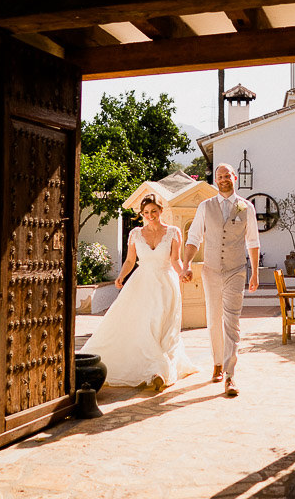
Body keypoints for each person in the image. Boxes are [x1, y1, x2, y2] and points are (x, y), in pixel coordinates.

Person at [79, 193, 197, 390]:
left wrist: (183, 272)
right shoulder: (135, 234)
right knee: (144, 325)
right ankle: (156, 370)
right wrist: (121, 276)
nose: (150, 215)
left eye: (154, 211)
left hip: (165, 284)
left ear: (161, 211)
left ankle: (160, 369)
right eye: (146, 212)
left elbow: (175, 260)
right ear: (142, 214)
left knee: (161, 326)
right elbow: (130, 260)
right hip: (141, 284)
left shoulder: (173, 232)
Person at [181, 163, 260, 397]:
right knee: (214, 319)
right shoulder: (205, 207)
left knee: (232, 321)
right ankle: (217, 362)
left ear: (234, 178)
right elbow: (194, 237)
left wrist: (254, 272)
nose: (224, 179)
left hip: (236, 270)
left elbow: (253, 242)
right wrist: (186, 264)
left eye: (227, 175)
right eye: (219, 176)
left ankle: (230, 374)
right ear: (215, 180)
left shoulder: (246, 207)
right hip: (211, 270)